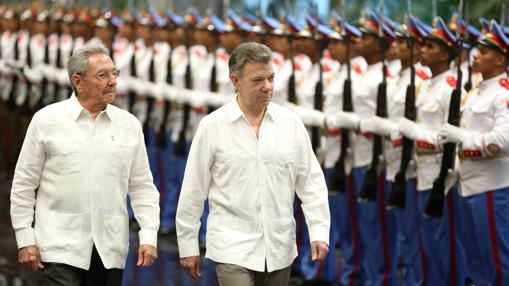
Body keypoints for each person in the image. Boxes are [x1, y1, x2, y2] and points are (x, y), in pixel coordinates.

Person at [176, 42, 330, 286]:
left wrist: (320, 232)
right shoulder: (212, 126)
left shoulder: (291, 124)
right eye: (257, 80)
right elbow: (193, 190)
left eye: (270, 78)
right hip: (231, 247)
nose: (267, 87)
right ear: (235, 81)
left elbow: (311, 182)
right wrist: (187, 244)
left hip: (279, 247)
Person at [10, 43, 160, 286]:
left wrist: (149, 236)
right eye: (103, 75)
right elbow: (24, 184)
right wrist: (25, 238)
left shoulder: (129, 125)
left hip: (109, 250)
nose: (112, 81)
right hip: (59, 248)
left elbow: (143, 187)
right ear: (77, 82)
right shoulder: (47, 120)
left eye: (114, 73)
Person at [439, 20, 509, 285]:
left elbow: (503, 141)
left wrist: (463, 138)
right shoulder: (475, 91)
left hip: (492, 186)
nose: (476, 54)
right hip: (467, 184)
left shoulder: (503, 93)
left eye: (485, 51)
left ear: (501, 59)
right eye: (477, 49)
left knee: (497, 258)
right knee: (476, 258)